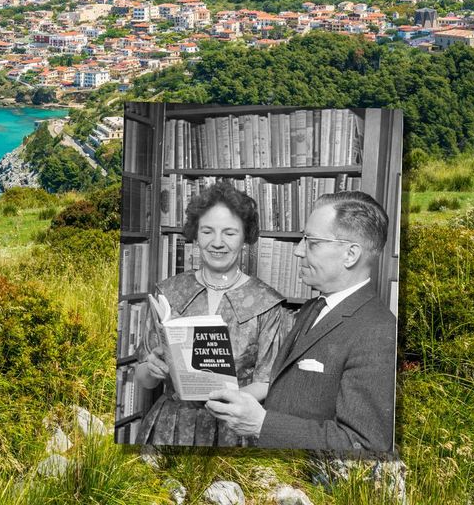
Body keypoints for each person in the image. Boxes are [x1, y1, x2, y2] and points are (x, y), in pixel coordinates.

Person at [205, 190, 396, 453]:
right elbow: (290, 390)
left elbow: (363, 447)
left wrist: (262, 424)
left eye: (312, 242)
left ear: (351, 254)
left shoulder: (378, 331)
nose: (298, 251)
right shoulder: (312, 308)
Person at [133, 180, 291, 446]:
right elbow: (143, 379)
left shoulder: (267, 303)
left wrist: (221, 398)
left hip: (233, 429)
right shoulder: (168, 292)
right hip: (170, 429)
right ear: (196, 234)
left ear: (245, 238)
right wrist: (152, 368)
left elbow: (266, 382)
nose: (217, 243)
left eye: (230, 233)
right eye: (208, 231)